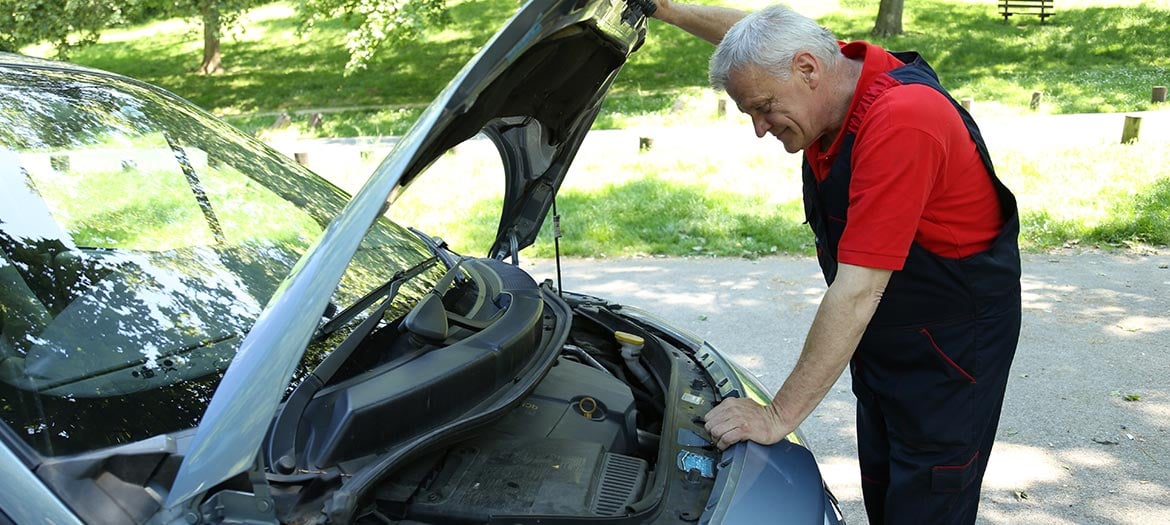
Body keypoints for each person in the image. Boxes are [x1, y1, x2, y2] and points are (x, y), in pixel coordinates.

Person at [645, 2, 1023, 523]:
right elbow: (750, 40)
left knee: (928, 498)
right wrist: (664, 9)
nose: (759, 128)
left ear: (807, 70)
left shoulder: (903, 121)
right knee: (886, 484)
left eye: (763, 107)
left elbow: (858, 291)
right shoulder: (830, 71)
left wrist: (776, 416)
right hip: (888, 335)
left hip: (949, 352)